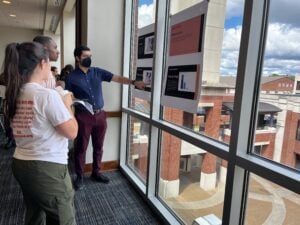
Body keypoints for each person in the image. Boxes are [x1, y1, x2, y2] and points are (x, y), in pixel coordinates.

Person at [2, 42, 78, 225]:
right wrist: (66, 103)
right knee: (62, 217)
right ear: (43, 63)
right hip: (47, 167)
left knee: (35, 213)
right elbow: (72, 132)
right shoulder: (47, 96)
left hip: (21, 162)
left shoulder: (13, 94)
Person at [65, 45, 145, 190]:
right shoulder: (71, 77)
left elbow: (117, 78)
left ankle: (96, 172)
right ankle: (80, 176)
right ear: (77, 58)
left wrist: (133, 82)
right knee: (81, 148)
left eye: (90, 56)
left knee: (99, 146)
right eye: (85, 56)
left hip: (100, 115)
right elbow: (68, 98)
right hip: (83, 117)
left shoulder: (97, 72)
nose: (89, 59)